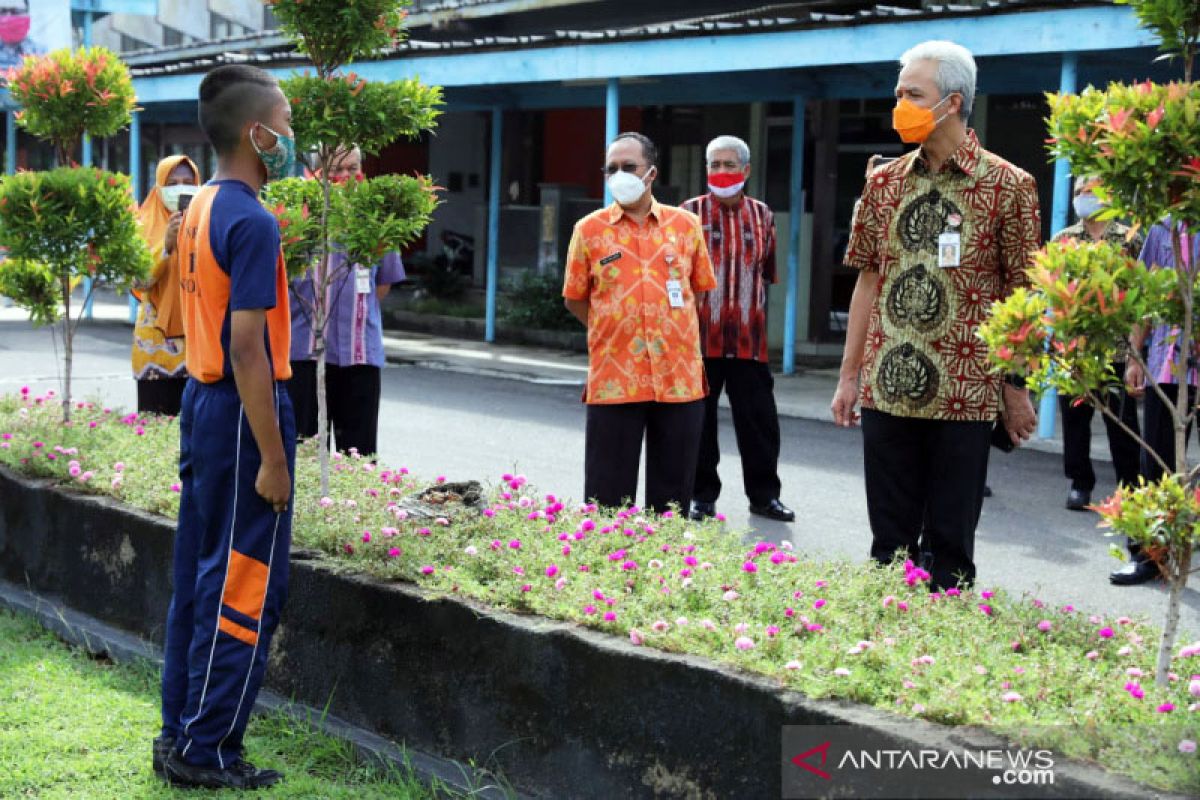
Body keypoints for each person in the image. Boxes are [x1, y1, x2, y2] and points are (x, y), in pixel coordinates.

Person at [831, 40, 1040, 591]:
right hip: (887, 388)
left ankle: (940, 658)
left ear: (951, 103)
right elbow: (867, 282)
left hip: (966, 395)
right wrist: (849, 376)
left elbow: (1024, 296)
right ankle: (886, 648)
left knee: (950, 547)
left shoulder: (1009, 186)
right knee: (889, 547)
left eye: (911, 94)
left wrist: (1015, 387)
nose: (899, 103)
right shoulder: (883, 183)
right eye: (898, 92)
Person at [157, 64, 296, 790]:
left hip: (202, 405)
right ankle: (207, 749)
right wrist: (273, 456)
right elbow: (250, 346)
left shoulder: (198, 208)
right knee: (244, 584)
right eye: (287, 120)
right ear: (258, 133)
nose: (292, 135)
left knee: (198, 578)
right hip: (244, 412)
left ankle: (177, 730)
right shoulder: (252, 220)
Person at [562, 132, 716, 513]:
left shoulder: (686, 226)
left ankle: (661, 570)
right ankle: (607, 568)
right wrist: (614, 327)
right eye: (611, 168)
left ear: (651, 174)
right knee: (606, 501)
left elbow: (702, 290)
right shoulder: (589, 230)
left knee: (671, 501)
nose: (619, 175)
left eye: (628, 167)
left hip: (679, 380)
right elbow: (575, 298)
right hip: (616, 378)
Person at [680, 135, 794, 523]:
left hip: (749, 342)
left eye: (730, 165)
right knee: (700, 424)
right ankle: (701, 497)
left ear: (745, 170)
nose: (722, 172)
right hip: (700, 340)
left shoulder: (763, 215)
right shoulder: (687, 214)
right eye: (715, 164)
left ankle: (765, 497)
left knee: (760, 424)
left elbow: (767, 273)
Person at [287, 145, 406, 457]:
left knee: (360, 454)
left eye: (352, 169)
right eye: (335, 170)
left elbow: (384, 283)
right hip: (304, 353)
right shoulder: (294, 214)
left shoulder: (374, 215)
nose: (346, 177)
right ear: (314, 173)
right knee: (306, 453)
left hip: (360, 353)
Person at [1052, 176, 1143, 512]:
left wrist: (1136, 351)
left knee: (1121, 424)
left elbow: (1140, 298)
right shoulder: (1064, 240)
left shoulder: (1129, 239)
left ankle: (1129, 489)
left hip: (1118, 348)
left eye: (1090, 192)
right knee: (1074, 422)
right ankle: (1079, 483)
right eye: (1079, 193)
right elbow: (1055, 295)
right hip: (1074, 349)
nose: (1083, 198)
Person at [1118, 220, 1200, 585]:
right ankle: (1150, 558)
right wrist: (1135, 357)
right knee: (1155, 463)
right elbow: (1145, 296)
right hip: (1167, 363)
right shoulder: (1165, 226)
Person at [132, 155, 200, 416]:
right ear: (159, 187)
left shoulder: (206, 221)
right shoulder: (143, 225)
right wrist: (167, 245)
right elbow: (138, 280)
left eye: (187, 182)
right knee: (155, 429)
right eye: (172, 183)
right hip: (155, 348)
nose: (181, 188)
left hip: (197, 346)